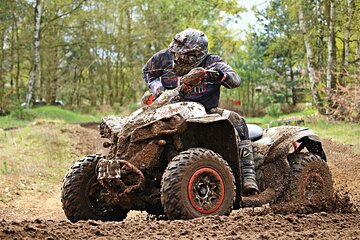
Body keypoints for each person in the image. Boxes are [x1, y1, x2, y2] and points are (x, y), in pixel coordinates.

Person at [142, 28, 258, 194]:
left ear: (197, 55)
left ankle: (248, 175)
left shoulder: (212, 61)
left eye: (186, 54)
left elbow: (235, 79)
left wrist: (217, 76)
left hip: (207, 111)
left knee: (238, 121)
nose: (179, 57)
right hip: (169, 110)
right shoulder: (163, 57)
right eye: (177, 53)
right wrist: (157, 88)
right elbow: (148, 72)